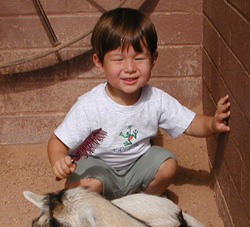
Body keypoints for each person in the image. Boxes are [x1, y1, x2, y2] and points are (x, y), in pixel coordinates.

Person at [48, 7, 230, 200]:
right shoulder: (89, 105)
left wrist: (212, 124)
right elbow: (57, 142)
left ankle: (140, 200)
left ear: (153, 59)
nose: (130, 68)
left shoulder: (156, 99)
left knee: (168, 166)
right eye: (118, 59)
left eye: (139, 58)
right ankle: (90, 202)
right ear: (99, 62)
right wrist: (58, 160)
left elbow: (191, 123)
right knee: (88, 184)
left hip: (137, 164)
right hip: (98, 167)